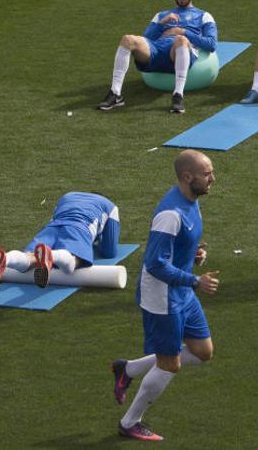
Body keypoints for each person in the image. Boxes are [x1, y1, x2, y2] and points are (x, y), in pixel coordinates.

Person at [111, 149, 219, 442]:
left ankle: (128, 369)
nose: (213, 178)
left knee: (202, 351)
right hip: (163, 296)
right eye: (207, 174)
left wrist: (194, 255)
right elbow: (155, 264)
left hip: (181, 289)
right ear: (187, 177)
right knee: (170, 363)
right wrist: (196, 280)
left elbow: (175, 249)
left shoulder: (190, 201)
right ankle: (129, 422)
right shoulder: (171, 214)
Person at [97, 0, 218, 114]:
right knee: (128, 39)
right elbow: (146, 39)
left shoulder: (204, 15)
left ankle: (178, 96)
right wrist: (161, 24)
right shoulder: (162, 14)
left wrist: (182, 31)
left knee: (180, 39)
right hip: (157, 51)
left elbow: (211, 44)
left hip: (178, 51)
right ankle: (115, 93)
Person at [0, 192, 120, 292]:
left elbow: (55, 215)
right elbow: (110, 251)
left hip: (51, 228)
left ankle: (7, 258)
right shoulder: (109, 206)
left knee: (31, 258)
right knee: (73, 263)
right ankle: (52, 256)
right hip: (79, 229)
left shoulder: (67, 196)